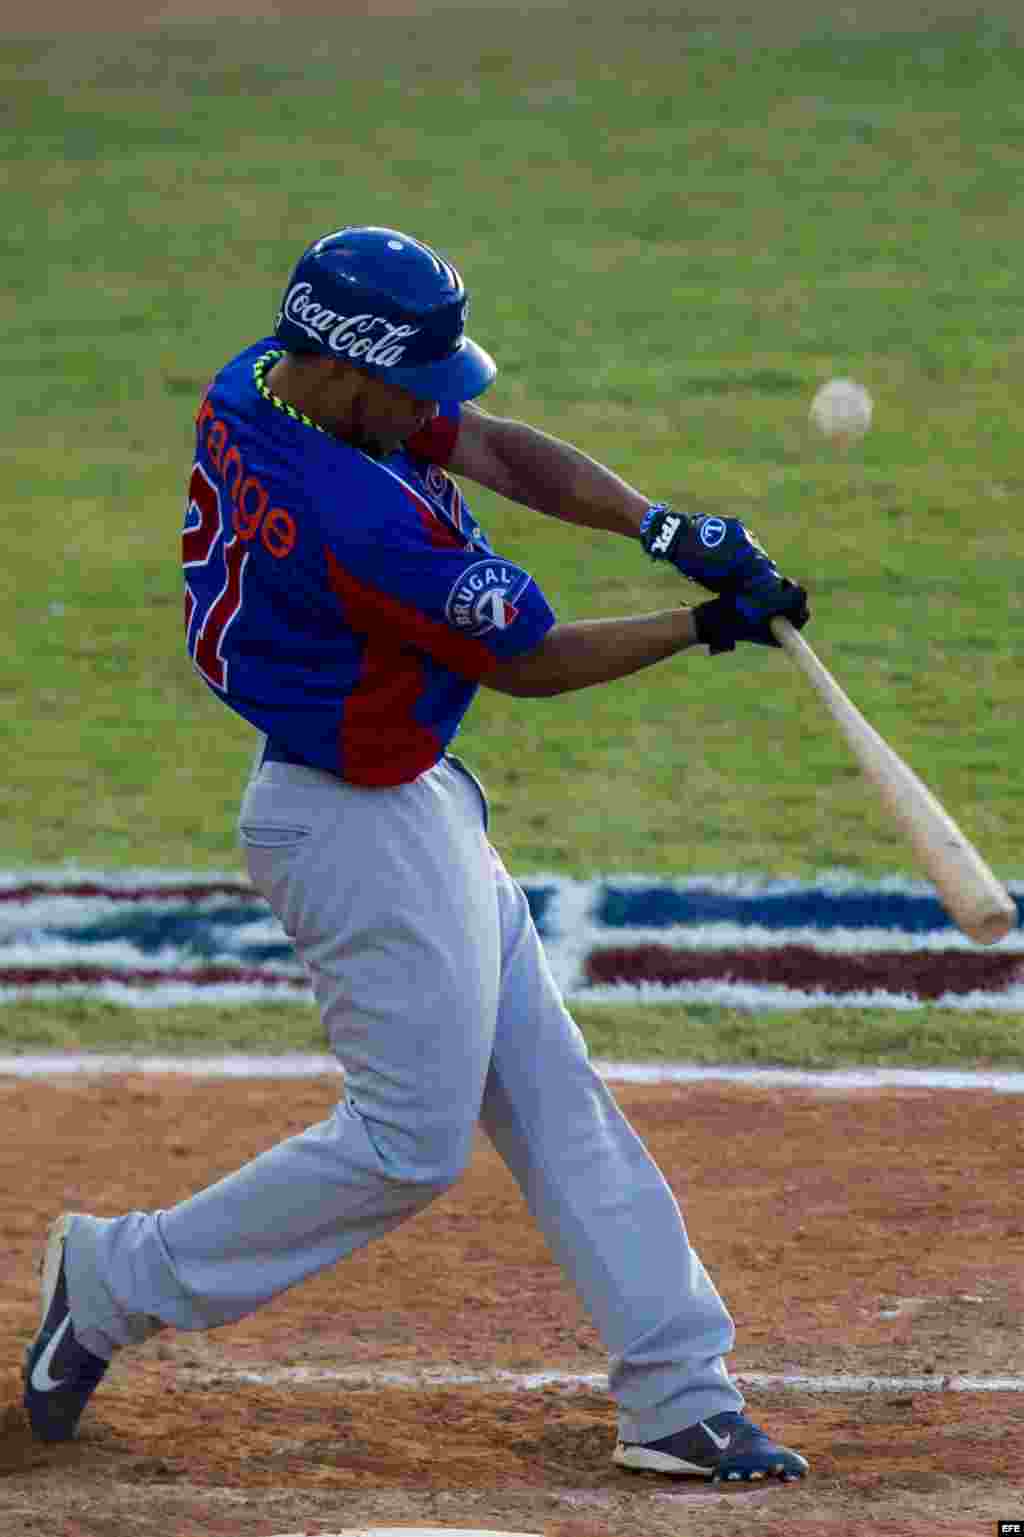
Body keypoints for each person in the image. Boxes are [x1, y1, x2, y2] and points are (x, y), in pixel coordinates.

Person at [24, 226, 811, 1482]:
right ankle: (113, 1279)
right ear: (345, 373)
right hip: (349, 827)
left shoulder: (268, 380)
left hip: (405, 801)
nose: (435, 410)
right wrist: (706, 623)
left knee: (555, 1098)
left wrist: (658, 524)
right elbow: (527, 660)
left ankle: (676, 1389)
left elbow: (489, 445)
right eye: (413, 386)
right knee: (409, 1143)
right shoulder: (356, 516)